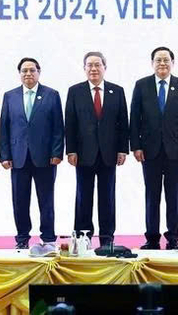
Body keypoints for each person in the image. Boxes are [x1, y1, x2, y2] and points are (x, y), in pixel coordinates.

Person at [130, 46, 178, 250]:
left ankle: (173, 238)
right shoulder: (142, 85)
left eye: (166, 60)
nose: (162, 64)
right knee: (152, 195)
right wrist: (136, 146)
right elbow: (135, 118)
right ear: (152, 63)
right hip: (149, 150)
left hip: (175, 151)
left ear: (172, 63)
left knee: (173, 195)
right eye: (158, 60)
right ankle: (152, 238)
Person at [0, 57, 64, 253]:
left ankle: (48, 237)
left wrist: (56, 152)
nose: (28, 74)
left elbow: (58, 127)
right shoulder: (10, 96)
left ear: (39, 72)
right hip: (18, 157)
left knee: (46, 199)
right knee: (20, 200)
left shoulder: (51, 95)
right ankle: (21, 238)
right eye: (24, 71)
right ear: (19, 74)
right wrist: (4, 155)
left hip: (45, 157)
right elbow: (4, 128)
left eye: (32, 70)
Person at [65, 52, 129, 247]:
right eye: (89, 65)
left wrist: (122, 149)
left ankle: (107, 238)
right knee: (83, 196)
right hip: (84, 154)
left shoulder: (116, 91)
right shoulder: (75, 91)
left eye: (97, 65)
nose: (93, 69)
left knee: (107, 197)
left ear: (104, 67)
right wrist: (71, 150)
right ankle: (83, 238)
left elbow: (123, 122)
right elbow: (70, 123)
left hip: (109, 154)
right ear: (84, 68)